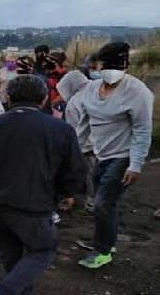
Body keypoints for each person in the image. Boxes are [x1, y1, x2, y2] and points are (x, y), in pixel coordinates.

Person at [0, 75, 86, 295]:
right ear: (43, 99)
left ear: (8, 98)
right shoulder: (60, 129)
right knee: (43, 249)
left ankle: (22, 294)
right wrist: (71, 193)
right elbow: (74, 168)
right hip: (33, 204)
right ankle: (4, 292)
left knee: (10, 250)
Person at [77, 42, 154, 269]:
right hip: (100, 153)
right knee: (106, 203)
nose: (110, 69)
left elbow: (142, 130)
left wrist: (136, 164)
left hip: (123, 156)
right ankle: (106, 242)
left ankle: (102, 252)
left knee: (102, 203)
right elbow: (84, 123)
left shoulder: (137, 92)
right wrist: (76, 149)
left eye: (116, 65)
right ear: (98, 65)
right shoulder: (91, 89)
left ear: (126, 66)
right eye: (106, 64)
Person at [57, 70, 95, 212]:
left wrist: (74, 150)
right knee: (98, 175)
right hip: (107, 142)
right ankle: (97, 201)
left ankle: (89, 203)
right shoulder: (98, 91)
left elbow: (76, 131)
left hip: (87, 144)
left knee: (86, 174)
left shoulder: (74, 103)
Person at [45, 51, 68, 117]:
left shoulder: (64, 75)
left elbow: (64, 94)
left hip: (58, 107)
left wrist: (52, 103)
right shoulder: (49, 73)